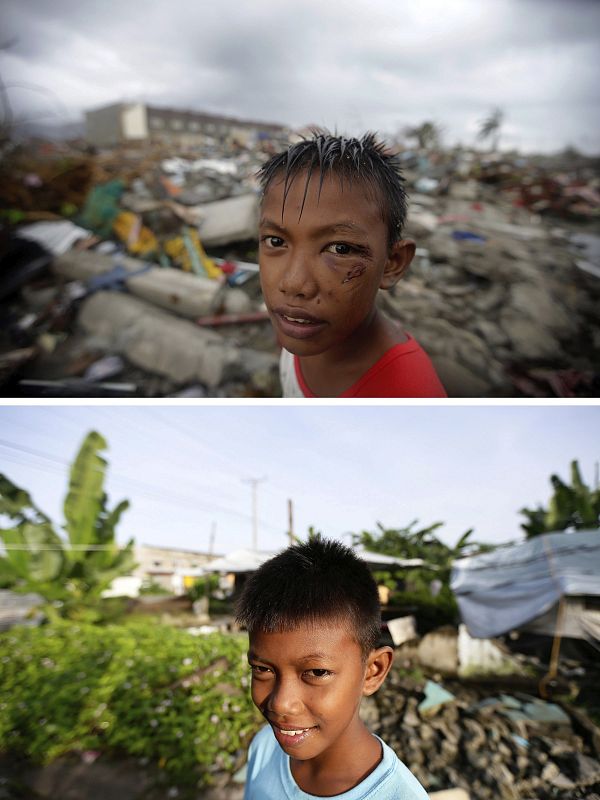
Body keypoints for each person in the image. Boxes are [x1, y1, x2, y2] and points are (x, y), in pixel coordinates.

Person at [236, 537, 429, 799]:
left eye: (317, 672)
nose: (281, 704)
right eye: (262, 669)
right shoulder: (265, 747)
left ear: (373, 671)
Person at [257, 131, 446, 397]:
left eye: (340, 248)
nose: (293, 284)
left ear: (392, 263)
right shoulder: (300, 326)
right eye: (276, 242)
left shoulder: (409, 398)